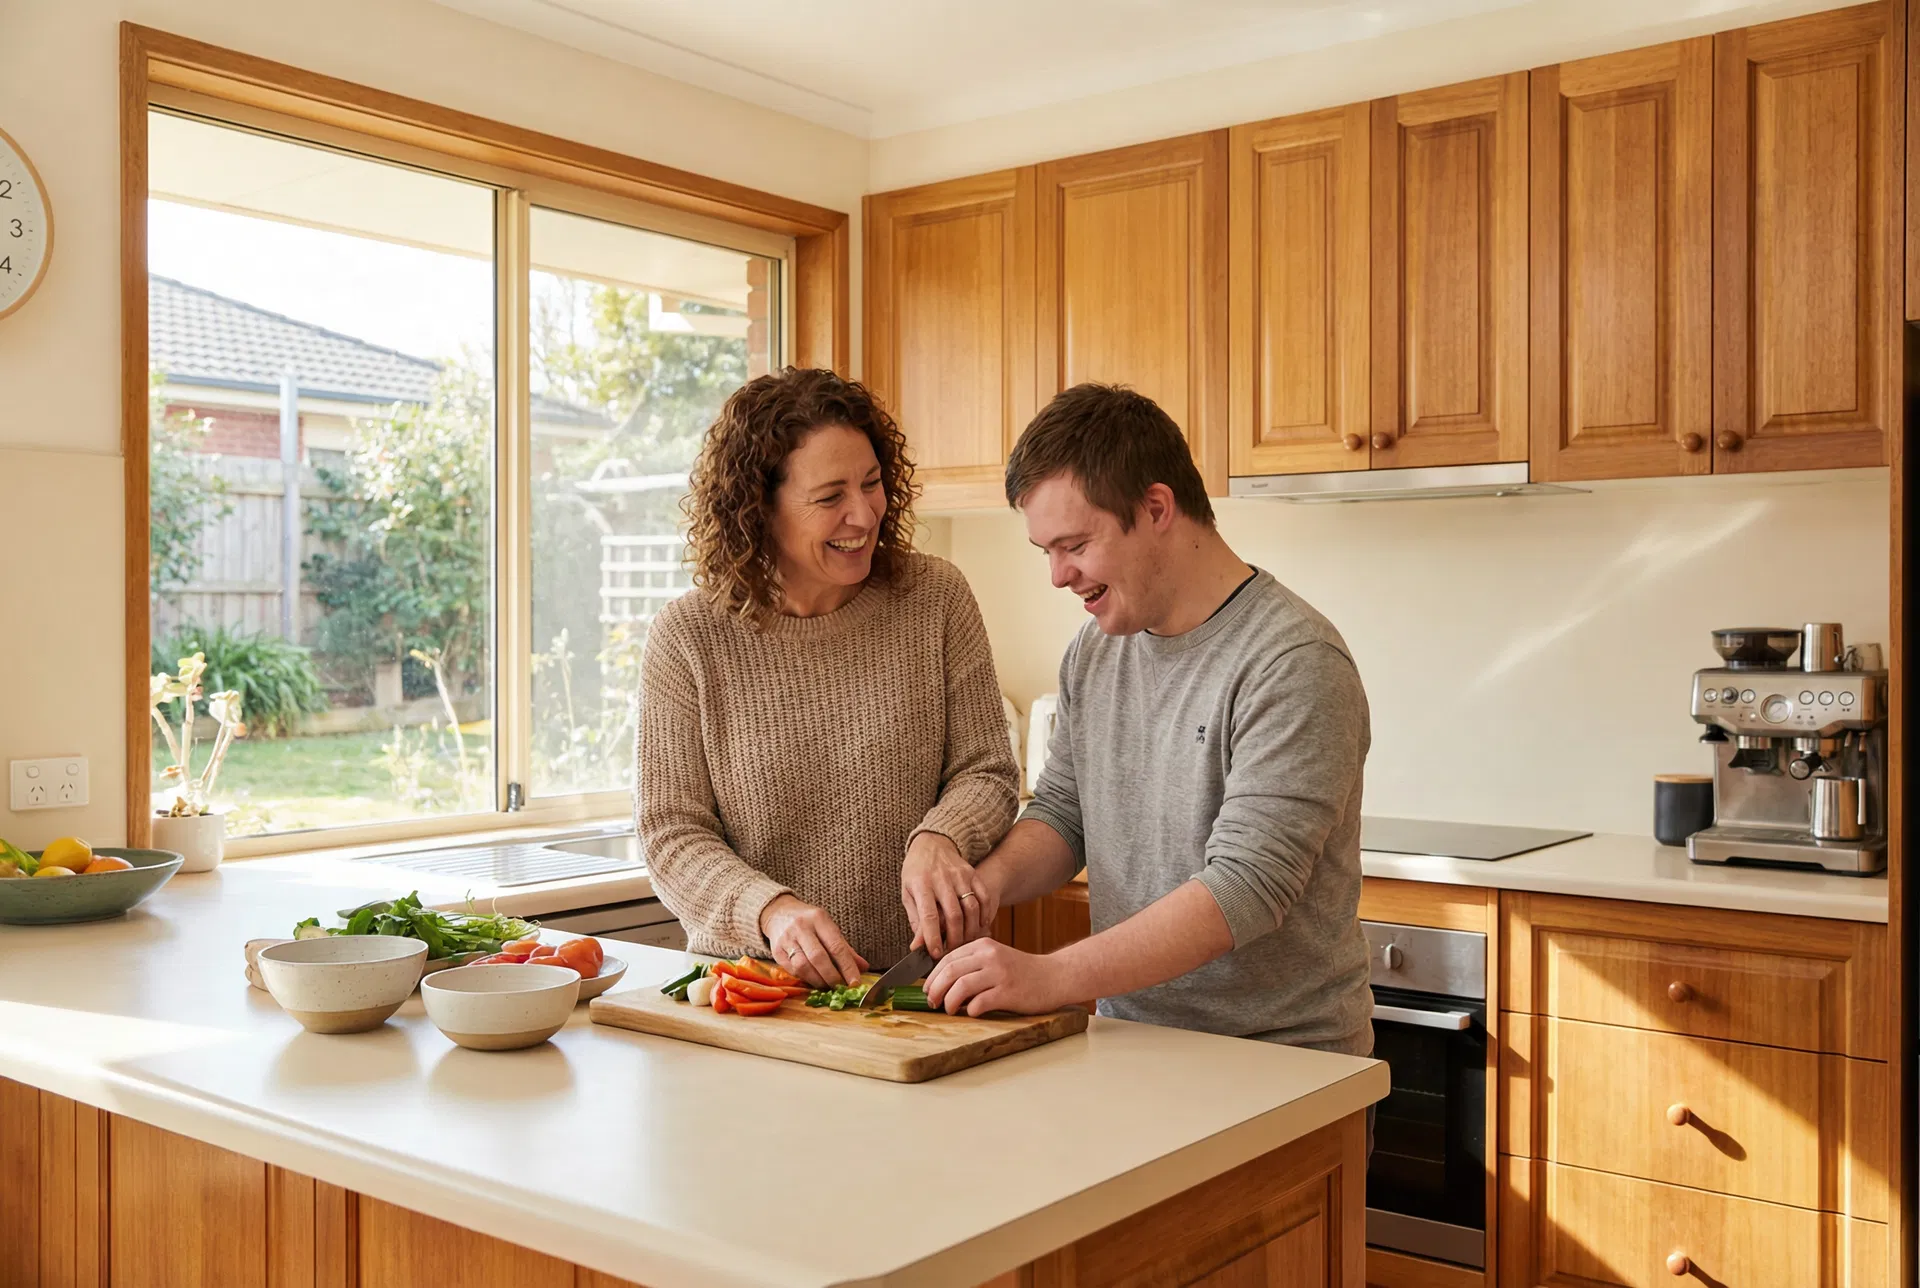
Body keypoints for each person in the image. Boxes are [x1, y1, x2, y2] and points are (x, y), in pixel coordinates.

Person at [924, 383, 1373, 1060]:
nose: (1057, 575)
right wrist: (985, 886)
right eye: (1045, 550)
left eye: (1073, 544)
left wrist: (1049, 975)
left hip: (1281, 1062)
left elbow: (1246, 889)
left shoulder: (1292, 660)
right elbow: (1064, 813)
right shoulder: (1098, 648)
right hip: (1131, 1041)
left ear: (1156, 507)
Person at [637, 367, 1019, 989]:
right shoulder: (689, 638)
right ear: (758, 507)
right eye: (830, 497)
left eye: (872, 484)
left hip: (922, 987)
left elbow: (989, 771)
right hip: (754, 992)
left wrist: (941, 837)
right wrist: (770, 911)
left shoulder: (936, 597)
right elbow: (671, 834)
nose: (863, 514)